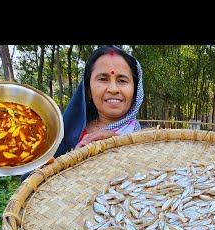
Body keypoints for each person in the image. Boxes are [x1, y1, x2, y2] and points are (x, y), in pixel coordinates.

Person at [21, 45, 143, 181]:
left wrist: (123, 145)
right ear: (89, 90)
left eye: (122, 80)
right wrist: (74, 158)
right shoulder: (62, 136)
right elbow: (31, 181)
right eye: (103, 79)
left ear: (136, 90)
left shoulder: (149, 139)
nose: (113, 89)